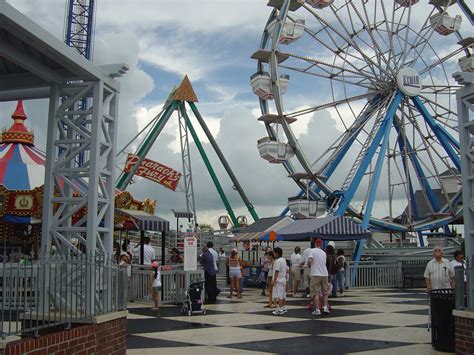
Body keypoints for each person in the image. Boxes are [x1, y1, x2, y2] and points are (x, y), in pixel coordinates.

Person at [307, 239, 330, 316]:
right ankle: (325, 307)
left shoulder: (312, 251)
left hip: (315, 274)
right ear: (321, 244)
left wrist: (309, 265)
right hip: (324, 274)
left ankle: (317, 309)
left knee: (314, 292)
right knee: (325, 293)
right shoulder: (324, 253)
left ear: (315, 244)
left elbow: (310, 260)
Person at [271, 247, 288, 315]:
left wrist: (274, 280)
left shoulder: (278, 261)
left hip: (278, 280)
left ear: (277, 253)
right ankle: (283, 307)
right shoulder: (283, 260)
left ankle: (280, 309)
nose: (273, 254)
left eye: (274, 253)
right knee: (283, 295)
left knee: (279, 295)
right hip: (283, 279)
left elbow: (276, 271)